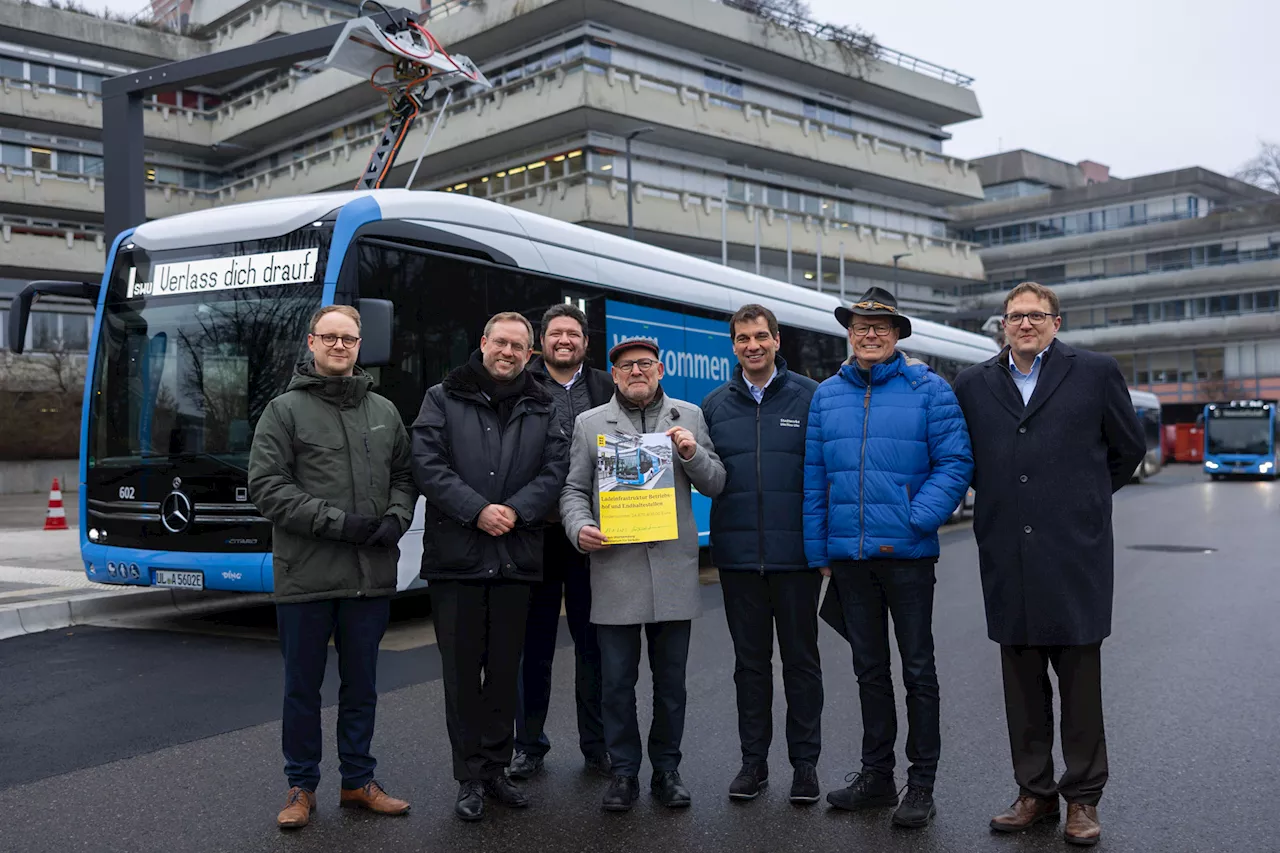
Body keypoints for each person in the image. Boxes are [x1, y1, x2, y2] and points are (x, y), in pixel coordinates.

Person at [953, 282, 1145, 847]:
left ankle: (1082, 799)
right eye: (1016, 316)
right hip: (1007, 556)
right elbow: (966, 460)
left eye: (1037, 315)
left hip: (1075, 555)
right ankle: (1034, 793)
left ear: (1057, 323)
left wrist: (1081, 501)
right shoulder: (973, 384)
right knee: (1021, 685)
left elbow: (1127, 450)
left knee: (1080, 685)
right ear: (1002, 325)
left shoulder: (1096, 372)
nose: (1026, 323)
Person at [803, 286, 972, 828]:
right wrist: (820, 548)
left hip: (907, 557)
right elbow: (813, 478)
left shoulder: (931, 390)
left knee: (918, 670)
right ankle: (876, 777)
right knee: (868, 671)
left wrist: (916, 519)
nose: (868, 333)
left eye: (880, 326)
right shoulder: (827, 395)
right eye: (858, 325)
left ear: (898, 333)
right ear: (848, 333)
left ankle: (920, 783)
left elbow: (955, 463)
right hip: (849, 559)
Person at [248, 304, 417, 830]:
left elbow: (405, 476)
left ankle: (357, 781)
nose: (340, 346)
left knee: (361, 686)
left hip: (369, 576)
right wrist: (336, 523)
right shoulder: (283, 411)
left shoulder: (385, 411)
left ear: (359, 345)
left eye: (349, 338)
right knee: (303, 688)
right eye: (331, 338)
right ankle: (301, 788)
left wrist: (398, 516)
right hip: (307, 574)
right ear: (311, 343)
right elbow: (266, 486)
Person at [410, 311, 569, 822]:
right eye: (500, 342)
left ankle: (497, 770)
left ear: (530, 354)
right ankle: (469, 779)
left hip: (516, 558)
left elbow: (556, 468)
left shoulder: (544, 405)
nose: (508, 352)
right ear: (483, 343)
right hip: (457, 560)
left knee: (504, 674)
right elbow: (426, 464)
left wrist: (516, 511)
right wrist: (477, 509)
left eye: (518, 346)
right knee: (461, 677)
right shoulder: (442, 397)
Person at [560, 337, 726, 812]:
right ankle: (625, 772)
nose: (637, 372)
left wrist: (693, 454)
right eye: (627, 366)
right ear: (614, 376)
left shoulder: (689, 417)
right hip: (615, 569)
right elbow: (573, 490)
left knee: (671, 683)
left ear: (660, 371)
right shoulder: (590, 423)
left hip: (672, 570)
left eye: (645, 365)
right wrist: (579, 526)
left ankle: (667, 770)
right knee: (615, 682)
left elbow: (716, 482)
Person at [700, 304, 823, 804]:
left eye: (760, 337)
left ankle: (805, 767)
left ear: (777, 341)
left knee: (801, 664)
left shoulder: (812, 398)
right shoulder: (713, 405)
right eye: (742, 338)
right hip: (738, 559)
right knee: (749, 667)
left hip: (796, 558)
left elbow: (825, 475)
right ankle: (754, 764)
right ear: (733, 346)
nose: (752, 345)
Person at [509, 303, 615, 781]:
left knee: (594, 647)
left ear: (585, 343)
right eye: (555, 334)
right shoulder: (517, 387)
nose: (564, 340)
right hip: (535, 536)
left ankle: (597, 745)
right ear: (540, 343)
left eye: (573, 333)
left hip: (595, 537)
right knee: (533, 648)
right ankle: (529, 744)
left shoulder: (606, 388)